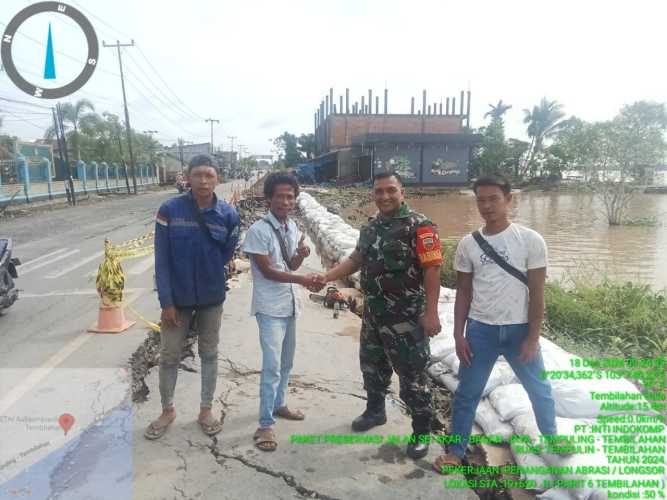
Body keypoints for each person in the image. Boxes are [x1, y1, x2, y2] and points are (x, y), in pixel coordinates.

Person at [434, 174, 566, 473]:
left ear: (509, 200)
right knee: (468, 393)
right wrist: (458, 334)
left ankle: (552, 437)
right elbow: (464, 292)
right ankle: (455, 451)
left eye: (494, 198)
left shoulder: (531, 240)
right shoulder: (469, 244)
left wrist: (533, 338)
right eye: (481, 199)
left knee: (540, 389)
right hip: (481, 331)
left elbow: (537, 293)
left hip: (520, 331)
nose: (487, 205)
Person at [313, 171, 443, 460]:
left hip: (406, 317)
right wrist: (327, 276)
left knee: (412, 377)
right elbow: (356, 259)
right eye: (379, 191)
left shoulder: (420, 226)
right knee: (372, 366)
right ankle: (375, 411)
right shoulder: (370, 227)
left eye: (390, 190)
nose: (384, 196)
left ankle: (421, 431)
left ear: (402, 192)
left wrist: (431, 313)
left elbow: (432, 269)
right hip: (373, 313)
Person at [145, 154, 240, 440]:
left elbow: (226, 253)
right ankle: (167, 410)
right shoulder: (169, 210)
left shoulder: (228, 215)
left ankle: (205, 409)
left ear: (217, 179)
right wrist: (167, 302)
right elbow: (161, 260)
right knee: (169, 356)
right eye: (197, 174)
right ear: (187, 177)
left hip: (212, 298)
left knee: (209, 355)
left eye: (209, 175)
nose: (202, 180)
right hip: (178, 301)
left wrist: (210, 273)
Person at [241, 172, 319, 452]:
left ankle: (280, 404)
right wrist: (303, 280)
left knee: (286, 363)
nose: (286, 201)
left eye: (290, 196)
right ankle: (264, 424)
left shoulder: (293, 228)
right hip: (270, 308)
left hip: (290, 305)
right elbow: (268, 271)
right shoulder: (258, 231)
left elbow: (291, 265)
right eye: (280, 196)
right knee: (272, 366)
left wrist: (302, 255)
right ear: (269, 198)